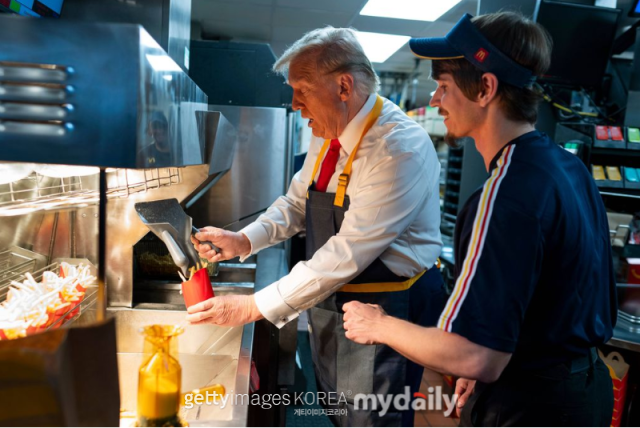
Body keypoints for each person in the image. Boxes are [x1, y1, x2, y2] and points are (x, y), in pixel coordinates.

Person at [342, 11, 617, 427]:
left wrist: (378, 324)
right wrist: (489, 358)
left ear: (486, 88)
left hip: (534, 407)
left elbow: (476, 356)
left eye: (445, 86)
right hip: (585, 390)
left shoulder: (503, 193)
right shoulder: (567, 166)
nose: (435, 99)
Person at [187, 26, 446, 426]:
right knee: (338, 410)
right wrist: (243, 240)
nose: (294, 104)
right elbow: (296, 203)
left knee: (371, 419)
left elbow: (347, 252)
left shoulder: (398, 148)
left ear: (344, 86)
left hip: (386, 309)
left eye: (302, 89)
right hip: (335, 302)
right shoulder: (330, 134)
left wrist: (253, 306)